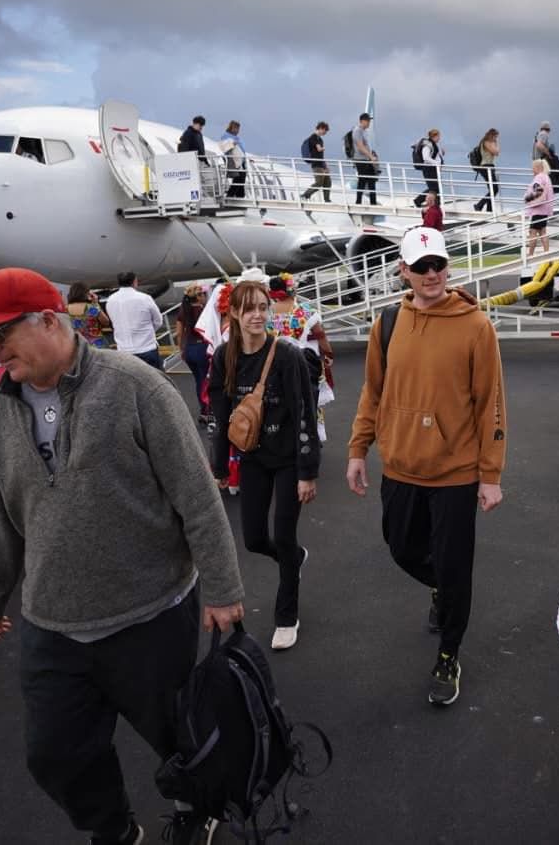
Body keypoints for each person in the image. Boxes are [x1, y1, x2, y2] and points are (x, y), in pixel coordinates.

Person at [0, 267, 244, 845]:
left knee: (181, 738)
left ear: (49, 321)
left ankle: (197, 806)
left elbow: (197, 497)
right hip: (52, 623)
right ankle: (115, 829)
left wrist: (224, 587)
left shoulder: (137, 388)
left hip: (150, 616)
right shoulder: (4, 404)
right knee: (55, 755)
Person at [346, 227, 507, 706]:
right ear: (404, 271)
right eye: (421, 267)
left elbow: (491, 404)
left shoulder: (476, 326)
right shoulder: (388, 323)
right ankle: (443, 588)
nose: (431, 274)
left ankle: (449, 654)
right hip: (400, 465)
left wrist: (491, 475)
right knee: (401, 548)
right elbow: (373, 392)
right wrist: (357, 449)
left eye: (438, 264)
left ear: (447, 266)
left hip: (456, 471)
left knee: (455, 567)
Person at [209, 280, 319, 651]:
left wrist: (307, 472)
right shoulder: (224, 357)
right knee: (255, 539)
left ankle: (287, 615)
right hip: (252, 458)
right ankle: (293, 559)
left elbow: (304, 411)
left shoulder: (286, 355)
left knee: (284, 535)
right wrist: (219, 466)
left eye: (262, 307)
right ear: (234, 314)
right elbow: (220, 414)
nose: (258, 315)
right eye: (249, 309)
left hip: (287, 459)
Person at [267, 273, 335, 441]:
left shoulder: (267, 312)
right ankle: (311, 436)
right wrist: (328, 354)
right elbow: (320, 335)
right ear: (291, 290)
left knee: (281, 401)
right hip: (303, 364)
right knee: (310, 401)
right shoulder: (305, 311)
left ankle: (286, 437)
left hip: (274, 365)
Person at [105, 272, 165, 369]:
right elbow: (158, 321)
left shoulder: (110, 300)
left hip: (123, 350)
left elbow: (113, 321)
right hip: (146, 348)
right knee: (155, 376)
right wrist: (147, 332)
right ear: (135, 282)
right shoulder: (144, 298)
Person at [175, 284, 212, 424]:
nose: (205, 296)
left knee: (198, 380)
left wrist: (181, 350)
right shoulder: (204, 311)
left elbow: (179, 333)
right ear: (198, 296)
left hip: (189, 348)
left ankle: (203, 409)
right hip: (202, 348)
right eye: (203, 294)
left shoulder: (183, 310)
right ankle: (207, 411)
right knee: (205, 381)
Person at [66, 282, 111, 349]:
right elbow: (106, 322)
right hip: (97, 344)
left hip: (79, 345)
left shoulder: (66, 309)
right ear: (85, 294)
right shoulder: (91, 308)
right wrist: (96, 303)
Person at [523, 158, 554, 256]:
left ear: (537, 167)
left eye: (532, 168)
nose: (532, 170)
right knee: (542, 232)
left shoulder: (539, 177)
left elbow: (538, 192)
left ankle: (530, 254)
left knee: (532, 232)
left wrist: (527, 198)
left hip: (538, 210)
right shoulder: (546, 177)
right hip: (545, 209)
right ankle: (546, 253)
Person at [300, 121, 331, 203]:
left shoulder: (320, 139)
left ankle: (327, 200)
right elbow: (319, 149)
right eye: (325, 130)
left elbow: (321, 155)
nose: (325, 133)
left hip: (321, 164)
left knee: (328, 182)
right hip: (316, 164)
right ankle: (305, 195)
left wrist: (326, 166)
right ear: (320, 128)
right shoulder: (313, 137)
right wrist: (323, 148)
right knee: (319, 183)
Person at [353, 112, 379, 206]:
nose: (369, 123)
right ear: (362, 121)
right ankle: (364, 202)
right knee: (367, 180)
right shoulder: (357, 131)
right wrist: (371, 156)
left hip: (365, 159)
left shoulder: (362, 132)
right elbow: (360, 146)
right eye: (368, 121)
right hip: (361, 159)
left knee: (366, 180)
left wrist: (371, 156)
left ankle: (365, 202)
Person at [472, 128, 500, 213]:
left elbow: (497, 152)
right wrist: (496, 143)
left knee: (492, 189)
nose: (496, 138)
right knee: (494, 189)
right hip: (486, 167)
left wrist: (495, 144)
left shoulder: (490, 143)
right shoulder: (486, 142)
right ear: (492, 135)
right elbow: (496, 152)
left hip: (489, 167)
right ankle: (479, 205)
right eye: (495, 136)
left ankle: (489, 209)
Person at [414, 128, 443, 208]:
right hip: (428, 169)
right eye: (438, 136)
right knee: (434, 188)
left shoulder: (433, 145)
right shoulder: (428, 145)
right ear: (434, 136)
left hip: (432, 169)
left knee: (435, 188)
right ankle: (418, 201)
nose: (439, 138)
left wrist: (439, 161)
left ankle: (435, 204)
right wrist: (437, 163)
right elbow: (426, 158)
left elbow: (435, 156)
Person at [219, 120, 247, 199]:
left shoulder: (237, 138)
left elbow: (240, 150)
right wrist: (232, 144)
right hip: (234, 161)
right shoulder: (226, 136)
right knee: (238, 179)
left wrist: (246, 159)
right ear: (231, 128)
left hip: (241, 162)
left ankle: (240, 196)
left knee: (241, 180)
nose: (237, 130)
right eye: (236, 128)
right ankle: (231, 195)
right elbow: (224, 148)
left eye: (238, 129)